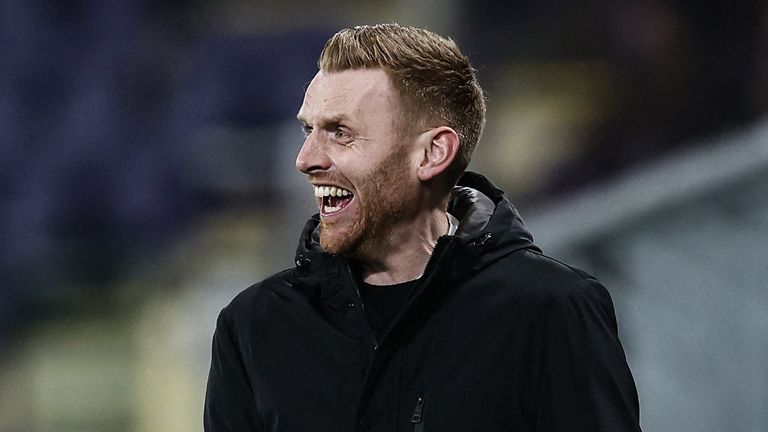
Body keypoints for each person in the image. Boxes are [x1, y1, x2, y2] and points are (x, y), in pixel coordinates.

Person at [204, 23, 642, 432]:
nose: (305, 160)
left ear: (433, 154)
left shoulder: (554, 310)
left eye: (340, 132)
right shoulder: (252, 326)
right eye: (308, 130)